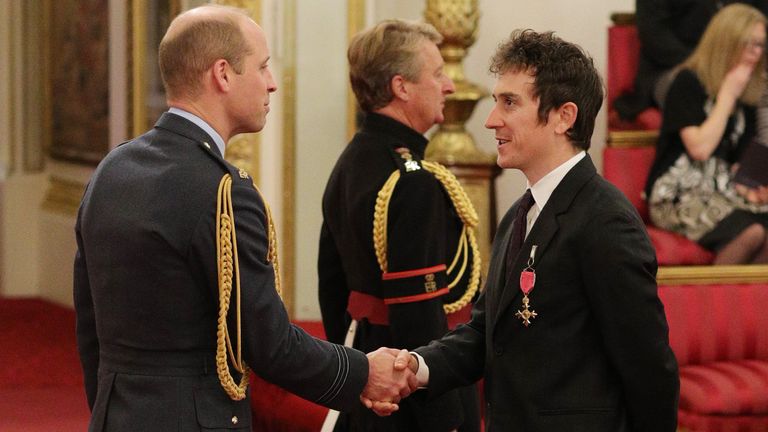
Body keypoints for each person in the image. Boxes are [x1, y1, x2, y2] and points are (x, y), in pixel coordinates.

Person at [73, 6, 416, 432]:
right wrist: (364, 372)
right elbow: (270, 344)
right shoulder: (222, 192)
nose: (272, 82)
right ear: (222, 74)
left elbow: (90, 331)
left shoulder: (112, 170)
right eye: (263, 65)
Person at [368, 29, 680, 431]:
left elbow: (648, 367)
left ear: (563, 117)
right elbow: (486, 333)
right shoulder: (520, 212)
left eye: (510, 103)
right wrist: (417, 365)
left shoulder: (606, 221)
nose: (491, 119)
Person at [318, 19, 481, 432]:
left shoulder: (351, 162)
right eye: (438, 74)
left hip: (368, 383)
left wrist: (355, 376)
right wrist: (447, 421)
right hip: (409, 405)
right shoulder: (412, 183)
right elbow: (421, 321)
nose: (448, 86)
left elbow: (332, 290)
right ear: (401, 87)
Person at [645, 3, 768, 264]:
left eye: (760, 45)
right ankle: (719, 303)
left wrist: (754, 187)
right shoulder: (688, 81)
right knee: (752, 232)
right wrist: (727, 95)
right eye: (749, 44)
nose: (756, 53)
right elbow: (699, 149)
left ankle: (751, 305)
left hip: (721, 187)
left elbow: (740, 162)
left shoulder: (747, 93)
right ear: (726, 42)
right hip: (678, 190)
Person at [614, 0, 768, 120]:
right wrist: (707, 66)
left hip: (742, 68)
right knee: (691, 86)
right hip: (674, 68)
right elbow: (654, 36)